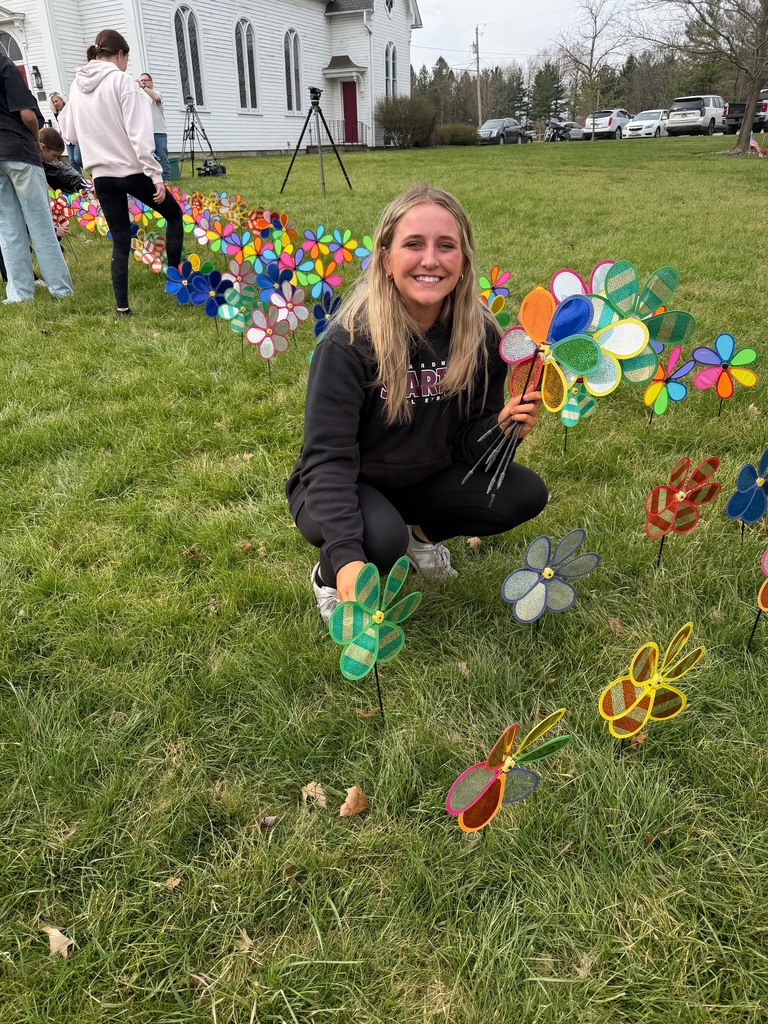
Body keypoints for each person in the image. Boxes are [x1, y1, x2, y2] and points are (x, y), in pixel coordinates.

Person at [286, 184, 548, 622]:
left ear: (463, 263)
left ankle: (421, 536)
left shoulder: (480, 335)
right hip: (344, 482)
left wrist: (501, 429)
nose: (430, 260)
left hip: (424, 476)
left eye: (447, 246)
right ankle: (328, 576)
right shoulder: (350, 341)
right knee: (380, 541)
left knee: (523, 494)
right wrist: (348, 554)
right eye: (414, 244)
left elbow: (469, 443)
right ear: (386, 260)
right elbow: (328, 459)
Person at [59, 28, 183, 317]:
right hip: (131, 170)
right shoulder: (122, 81)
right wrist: (155, 175)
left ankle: (122, 308)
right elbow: (140, 134)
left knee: (120, 238)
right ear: (119, 54)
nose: (127, 64)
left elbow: (70, 134)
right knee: (174, 215)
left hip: (101, 175)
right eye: (127, 58)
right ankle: (177, 280)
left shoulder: (76, 86)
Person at [0, 53, 74, 303]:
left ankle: (19, 294)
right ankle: (61, 289)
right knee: (40, 224)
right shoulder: (5, 65)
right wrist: (33, 139)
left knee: (8, 229)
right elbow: (28, 116)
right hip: (19, 151)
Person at [137, 72, 171, 182]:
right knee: (148, 157)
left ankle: (166, 179)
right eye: (141, 81)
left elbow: (156, 98)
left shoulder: (157, 93)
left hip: (158, 131)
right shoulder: (140, 97)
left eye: (145, 80)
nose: (142, 82)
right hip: (145, 133)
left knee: (162, 156)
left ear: (151, 82)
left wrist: (143, 87)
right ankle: (152, 179)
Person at [38, 126, 86, 192]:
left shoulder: (48, 163)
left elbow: (65, 172)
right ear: (43, 147)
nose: (55, 159)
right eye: (54, 155)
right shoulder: (33, 165)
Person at [49, 92, 82, 172]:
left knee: (77, 159)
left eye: (56, 101)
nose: (55, 104)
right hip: (67, 140)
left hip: (75, 137)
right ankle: (80, 179)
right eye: (53, 102)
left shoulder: (69, 108)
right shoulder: (57, 114)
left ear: (62, 100)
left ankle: (91, 172)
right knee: (72, 161)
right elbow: (60, 126)